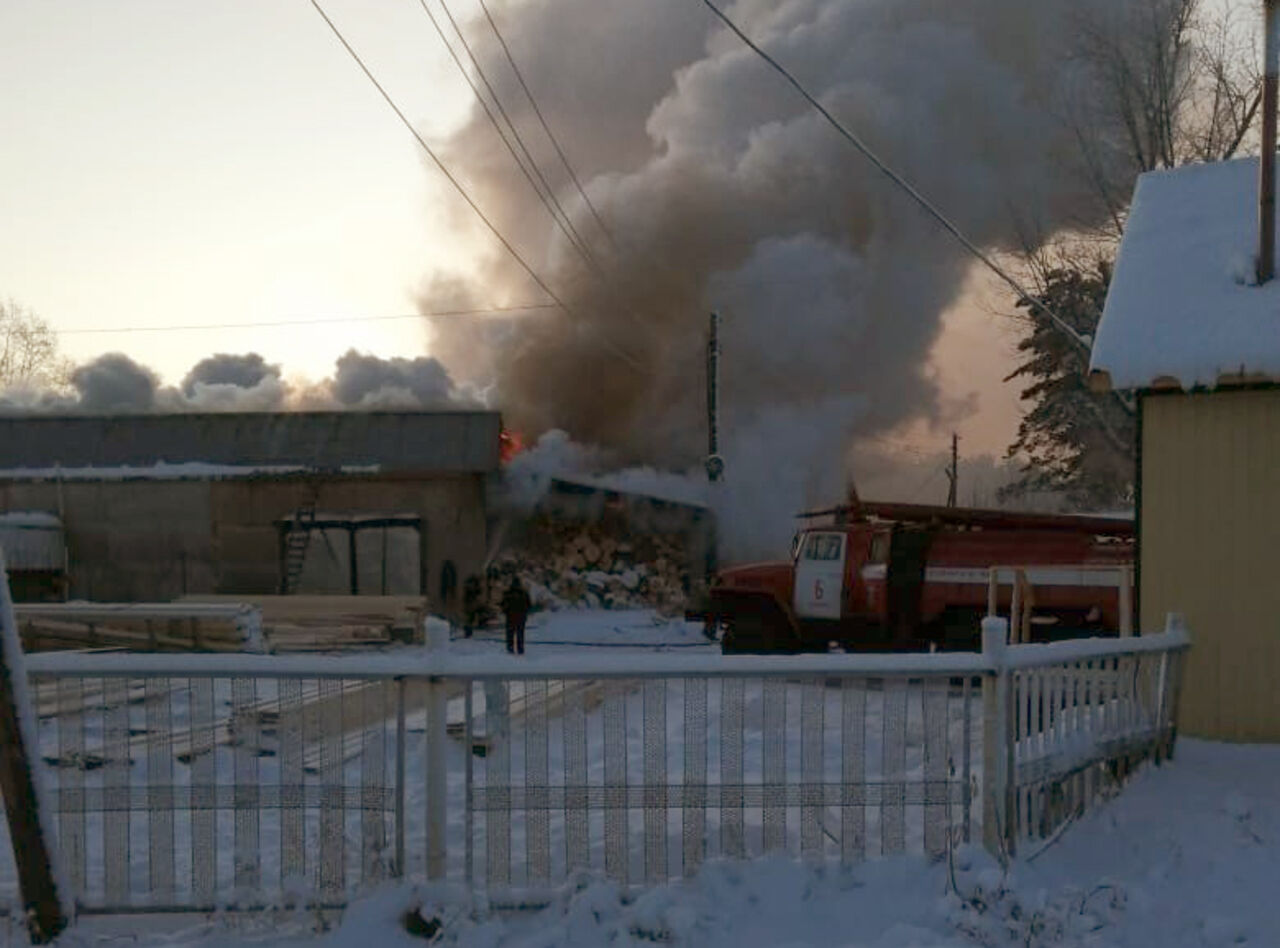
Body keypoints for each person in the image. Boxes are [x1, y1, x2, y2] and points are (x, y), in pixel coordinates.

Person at [501, 576, 531, 654]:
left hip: (510, 616)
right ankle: (520, 649)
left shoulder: (508, 593)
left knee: (510, 634)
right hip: (521, 617)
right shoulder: (524, 593)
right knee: (520, 634)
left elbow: (503, 604)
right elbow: (529, 605)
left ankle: (510, 649)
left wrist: (505, 611)